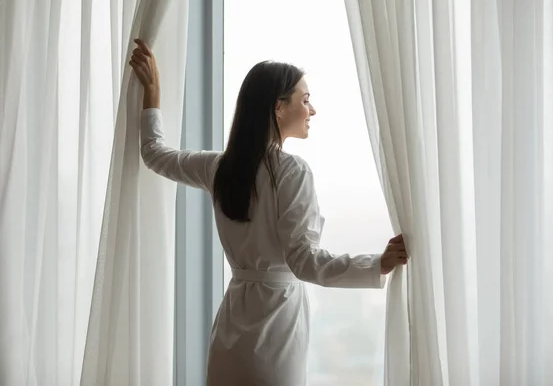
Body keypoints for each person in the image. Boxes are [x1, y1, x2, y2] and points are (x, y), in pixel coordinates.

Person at [129, 39, 409, 386]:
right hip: (276, 330)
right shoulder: (291, 172)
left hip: (230, 331)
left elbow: (154, 153)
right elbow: (305, 261)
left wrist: (151, 95)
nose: (312, 110)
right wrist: (377, 264)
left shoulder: (218, 167)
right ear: (279, 107)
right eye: (305, 100)